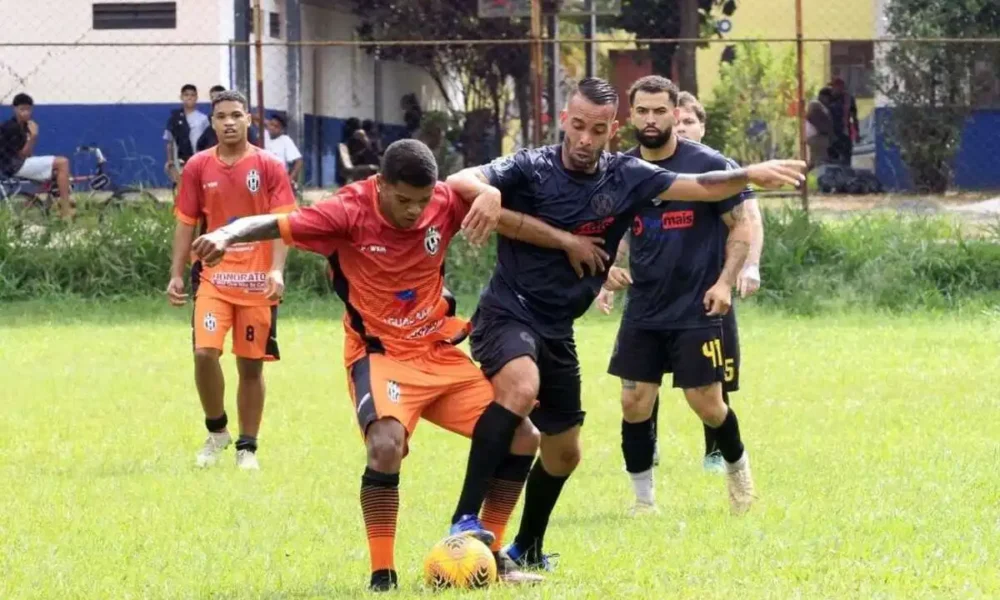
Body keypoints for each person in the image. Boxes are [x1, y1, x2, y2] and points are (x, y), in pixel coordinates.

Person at [186, 139, 611, 591]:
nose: (414, 212)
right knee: (385, 446)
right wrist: (225, 234)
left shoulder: (444, 201)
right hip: (380, 353)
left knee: (523, 436)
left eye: (422, 201)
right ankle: (382, 577)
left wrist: (503, 203)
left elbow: (498, 205)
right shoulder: (346, 210)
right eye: (404, 200)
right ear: (381, 184)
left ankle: (489, 559)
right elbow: (274, 222)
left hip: (435, 348)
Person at [446, 77, 804, 569]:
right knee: (523, 388)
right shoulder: (531, 165)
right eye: (577, 126)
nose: (585, 139)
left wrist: (749, 174)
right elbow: (459, 181)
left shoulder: (626, 175)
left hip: (559, 326)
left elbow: (700, 187)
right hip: (509, 308)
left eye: (597, 130)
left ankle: (526, 550)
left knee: (565, 453)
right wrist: (487, 193)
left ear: (612, 131)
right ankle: (464, 519)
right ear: (563, 121)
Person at [589, 76, 758, 517]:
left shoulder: (707, 164)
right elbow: (613, 231)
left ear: (674, 113)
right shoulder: (621, 169)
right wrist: (607, 269)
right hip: (644, 307)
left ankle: (739, 472)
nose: (651, 119)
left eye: (659, 111)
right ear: (630, 117)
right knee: (633, 401)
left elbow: (741, 224)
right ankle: (643, 503)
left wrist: (725, 281)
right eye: (642, 111)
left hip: (696, 305)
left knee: (707, 404)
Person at [166, 90, 295, 472]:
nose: (229, 122)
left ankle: (247, 447)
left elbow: (284, 222)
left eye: (236, 115)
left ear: (248, 120)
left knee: (251, 366)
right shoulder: (197, 167)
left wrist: (276, 269)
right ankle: (217, 430)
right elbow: (186, 222)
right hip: (213, 278)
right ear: (212, 122)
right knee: (204, 353)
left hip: (257, 283)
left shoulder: (270, 165)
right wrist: (175, 272)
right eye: (221, 116)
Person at [0, 93, 74, 219]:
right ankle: (66, 211)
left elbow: (26, 153)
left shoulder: (23, 126)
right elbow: (22, 155)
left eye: (28, 109)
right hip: (13, 166)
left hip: (16, 163)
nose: (25, 113)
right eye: (22, 109)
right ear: (14, 109)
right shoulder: (11, 127)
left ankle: (51, 205)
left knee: (57, 171)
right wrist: (33, 137)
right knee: (63, 162)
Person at [164, 84, 210, 186]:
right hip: (180, 162)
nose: (189, 97)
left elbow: (208, 142)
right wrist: (170, 162)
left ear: (197, 98)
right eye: (186, 95)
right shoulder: (174, 119)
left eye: (192, 95)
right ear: (181, 97)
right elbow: (169, 142)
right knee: (183, 189)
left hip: (199, 160)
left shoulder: (203, 119)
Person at [262, 113, 303, 183]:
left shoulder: (285, 140)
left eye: (276, 126)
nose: (272, 128)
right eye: (271, 124)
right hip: (263, 178)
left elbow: (299, 161)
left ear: (282, 130)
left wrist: (290, 179)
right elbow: (253, 118)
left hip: (278, 180)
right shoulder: (263, 135)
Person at [806, 88, 835, 169]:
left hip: (817, 137)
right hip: (817, 137)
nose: (829, 101)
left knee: (815, 161)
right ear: (824, 97)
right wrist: (825, 131)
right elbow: (816, 119)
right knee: (819, 162)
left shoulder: (819, 106)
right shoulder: (816, 106)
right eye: (829, 98)